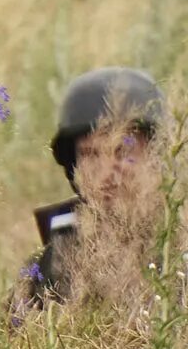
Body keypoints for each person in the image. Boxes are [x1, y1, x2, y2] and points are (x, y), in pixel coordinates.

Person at [21, 66, 165, 308]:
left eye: (122, 152)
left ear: (156, 157)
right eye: (90, 154)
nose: (106, 172)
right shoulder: (51, 262)